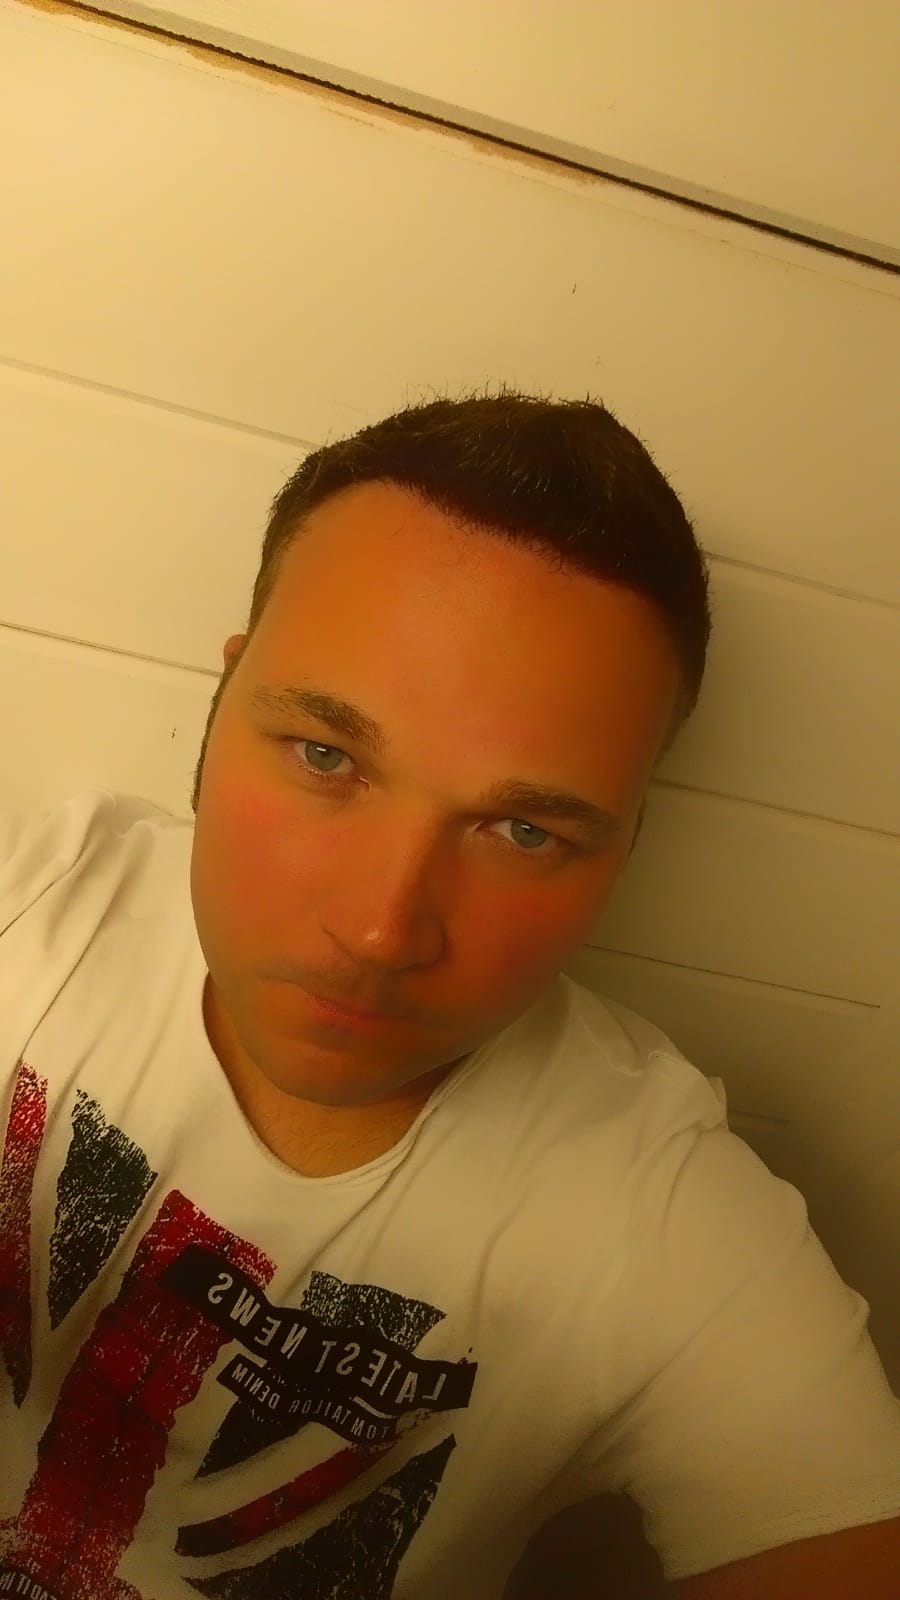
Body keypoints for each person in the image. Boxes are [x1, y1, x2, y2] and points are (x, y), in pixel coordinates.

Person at [0, 388, 897, 1600]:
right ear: (219, 705)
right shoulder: (34, 903)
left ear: (625, 849)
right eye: (327, 756)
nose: (381, 930)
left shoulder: (659, 1219)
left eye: (524, 830)